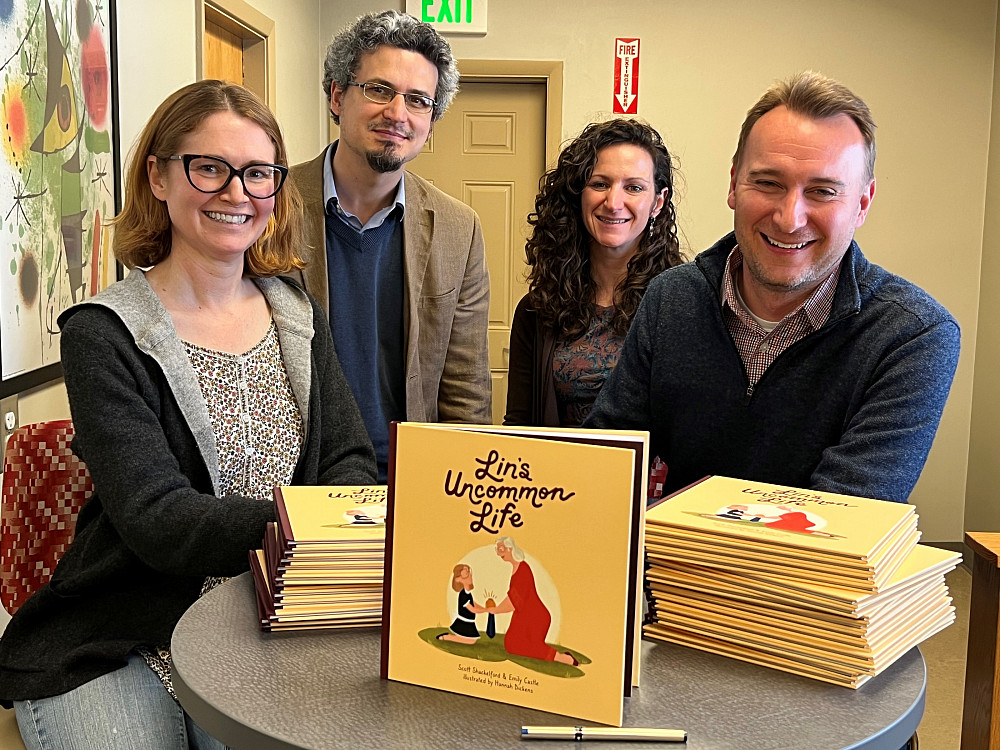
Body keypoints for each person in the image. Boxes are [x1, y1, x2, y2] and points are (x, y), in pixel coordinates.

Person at [0, 80, 377, 750]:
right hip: (126, 626)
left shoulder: (296, 312)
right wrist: (317, 518)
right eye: (210, 167)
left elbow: (347, 457)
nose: (237, 193)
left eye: (258, 172)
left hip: (276, 613)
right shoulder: (103, 332)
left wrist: (346, 517)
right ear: (159, 175)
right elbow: (158, 520)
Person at [586, 71, 960, 504]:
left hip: (801, 571)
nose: (789, 218)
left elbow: (839, 520)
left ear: (862, 203)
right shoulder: (671, 298)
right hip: (672, 567)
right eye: (768, 183)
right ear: (733, 184)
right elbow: (607, 457)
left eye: (822, 191)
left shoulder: (912, 335)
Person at [291, 10, 491, 481]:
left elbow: (465, 389)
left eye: (418, 101)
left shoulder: (458, 230)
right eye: (379, 90)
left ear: (432, 121)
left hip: (410, 480)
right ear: (338, 95)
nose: (397, 114)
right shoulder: (270, 205)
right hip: (299, 480)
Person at [504, 119, 683, 427]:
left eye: (634, 188)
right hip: (557, 474)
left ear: (657, 202)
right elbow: (520, 424)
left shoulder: (684, 305)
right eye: (600, 184)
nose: (613, 203)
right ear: (578, 195)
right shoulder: (537, 310)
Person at [488, 538, 576, 665]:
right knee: (511, 644)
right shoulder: (517, 568)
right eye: (497, 549)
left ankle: (563, 658)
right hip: (523, 616)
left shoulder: (523, 569)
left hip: (535, 618)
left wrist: (495, 610)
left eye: (500, 549)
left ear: (510, 549)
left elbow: (512, 601)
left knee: (519, 646)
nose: (498, 553)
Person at [438, 564, 484, 644]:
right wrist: (486, 610)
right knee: (471, 641)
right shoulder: (463, 595)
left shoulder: (468, 593)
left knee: (472, 640)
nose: (470, 575)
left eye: (469, 572)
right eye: (466, 574)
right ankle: (447, 637)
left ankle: (448, 637)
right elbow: (472, 609)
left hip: (470, 622)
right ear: (458, 580)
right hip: (464, 622)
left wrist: (485, 609)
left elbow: (474, 604)